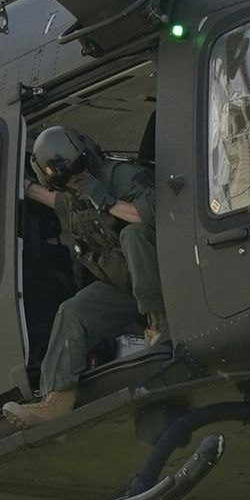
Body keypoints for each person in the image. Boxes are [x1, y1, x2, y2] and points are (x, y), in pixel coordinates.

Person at [19, 123, 161, 418]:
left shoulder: (120, 176)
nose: (75, 182)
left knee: (131, 235)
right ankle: (55, 398)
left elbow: (149, 214)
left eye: (77, 172)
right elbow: (56, 201)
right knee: (73, 311)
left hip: (163, 278)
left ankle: (157, 326)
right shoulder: (73, 195)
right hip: (125, 288)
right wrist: (23, 187)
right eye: (66, 181)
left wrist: (106, 200)